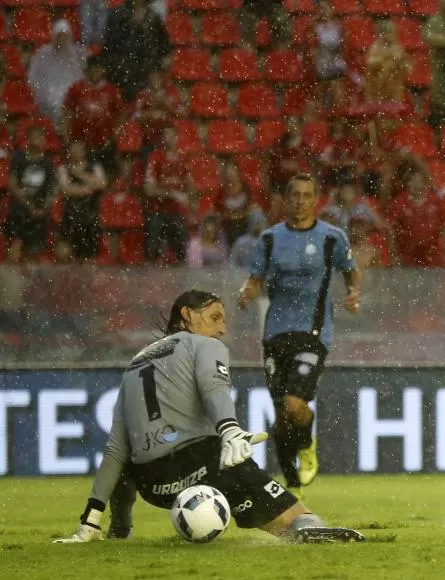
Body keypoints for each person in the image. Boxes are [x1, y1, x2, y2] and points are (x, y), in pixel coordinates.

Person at [52, 290, 363, 544]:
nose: (222, 329)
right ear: (187, 316)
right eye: (215, 317)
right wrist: (230, 431)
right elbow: (214, 388)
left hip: (156, 487)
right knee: (252, 481)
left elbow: (116, 449)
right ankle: (303, 525)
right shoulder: (201, 344)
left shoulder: (135, 364)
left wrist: (90, 518)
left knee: (129, 461)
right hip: (201, 464)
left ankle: (119, 531)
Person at [238, 174, 363, 499]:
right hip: (275, 332)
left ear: (316, 199)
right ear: (287, 198)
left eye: (307, 195)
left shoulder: (332, 238)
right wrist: (247, 292)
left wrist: (353, 292)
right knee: (281, 413)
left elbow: (351, 270)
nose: (300, 200)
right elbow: (255, 279)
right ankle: (291, 482)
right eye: (294, 194)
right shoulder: (269, 239)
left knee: (295, 406)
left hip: (313, 332)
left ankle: (307, 446)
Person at [61, 55, 126, 175]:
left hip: (104, 143)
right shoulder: (76, 89)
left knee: (109, 175)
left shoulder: (111, 90)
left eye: (99, 68)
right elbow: (66, 113)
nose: (96, 71)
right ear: (87, 70)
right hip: (81, 144)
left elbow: (121, 115)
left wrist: (115, 134)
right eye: (93, 68)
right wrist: (67, 138)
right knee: (81, 175)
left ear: (103, 70)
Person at [102, 0, 172, 101]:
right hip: (121, 70)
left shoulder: (153, 16)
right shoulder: (117, 14)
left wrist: (163, 58)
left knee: (142, 105)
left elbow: (163, 42)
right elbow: (110, 43)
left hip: (145, 71)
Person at [8, 126, 57, 258]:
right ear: (28, 140)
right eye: (35, 137)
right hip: (19, 210)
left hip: (39, 213)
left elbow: (52, 190)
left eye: (41, 137)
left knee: (34, 253)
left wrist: (43, 209)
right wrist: (29, 206)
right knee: (15, 248)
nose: (39, 140)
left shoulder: (48, 164)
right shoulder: (19, 157)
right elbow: (12, 185)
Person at [144, 125, 191, 264]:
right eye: (165, 136)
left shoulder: (183, 159)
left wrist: (190, 201)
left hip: (176, 212)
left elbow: (190, 186)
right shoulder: (155, 158)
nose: (167, 139)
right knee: (154, 229)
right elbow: (148, 190)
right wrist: (173, 194)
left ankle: (179, 267)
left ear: (177, 138)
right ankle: (151, 266)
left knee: (181, 235)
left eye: (170, 135)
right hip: (157, 210)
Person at [56, 139, 108, 262]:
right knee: (66, 252)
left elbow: (102, 184)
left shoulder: (95, 167)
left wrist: (80, 175)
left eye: (79, 148)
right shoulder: (63, 168)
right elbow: (65, 189)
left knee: (89, 255)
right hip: (71, 214)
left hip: (90, 214)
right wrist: (88, 189)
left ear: (85, 151)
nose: (76, 152)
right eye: (73, 149)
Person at [26, 19, 86, 123]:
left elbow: (82, 77)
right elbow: (32, 77)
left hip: (70, 101)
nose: (62, 40)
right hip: (47, 101)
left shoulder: (78, 54)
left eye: (65, 36)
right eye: (59, 36)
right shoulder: (43, 54)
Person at [387, 169, 445, 268]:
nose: (416, 184)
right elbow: (391, 229)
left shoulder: (436, 201)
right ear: (408, 183)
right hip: (407, 255)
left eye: (418, 181)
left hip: (432, 255)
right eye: (413, 180)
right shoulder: (399, 202)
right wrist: (393, 253)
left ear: (425, 183)